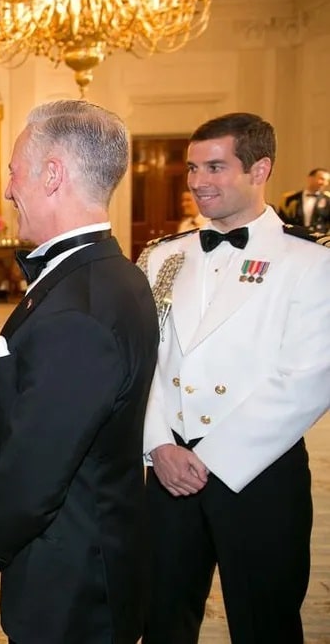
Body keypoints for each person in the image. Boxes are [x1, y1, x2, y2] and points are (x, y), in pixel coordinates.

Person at [0, 100, 158, 644]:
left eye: (14, 170)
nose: (7, 189)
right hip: (92, 544)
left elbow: (38, 465)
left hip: (72, 571)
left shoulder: (79, 307)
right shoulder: (109, 273)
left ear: (52, 175)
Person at [139, 113, 330, 644]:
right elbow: (146, 361)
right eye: (193, 168)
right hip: (170, 469)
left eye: (216, 167)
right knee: (161, 618)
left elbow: (309, 377)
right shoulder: (163, 258)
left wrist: (212, 457)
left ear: (260, 168)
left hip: (259, 472)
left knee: (264, 620)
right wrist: (158, 445)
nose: (199, 181)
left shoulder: (311, 260)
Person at [278, 167, 330, 233]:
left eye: (327, 181)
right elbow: (283, 220)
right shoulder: (290, 198)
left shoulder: (328, 199)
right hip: (296, 237)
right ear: (310, 178)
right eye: (321, 179)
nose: (324, 183)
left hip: (319, 239)